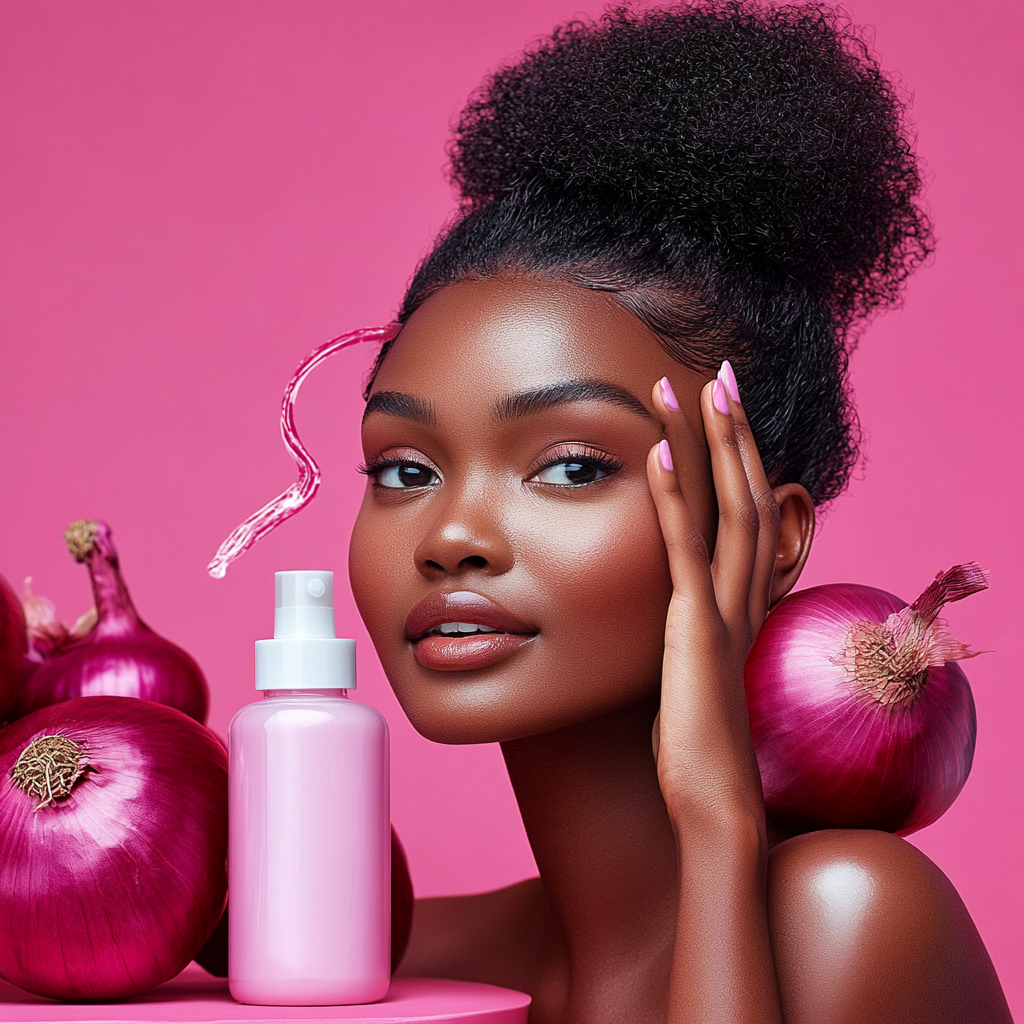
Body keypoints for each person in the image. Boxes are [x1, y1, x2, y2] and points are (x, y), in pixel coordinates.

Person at [345, 3, 1013, 1022]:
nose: (449, 538)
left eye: (569, 467)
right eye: (402, 469)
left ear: (773, 533)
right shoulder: (422, 961)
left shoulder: (852, 918)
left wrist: (716, 827)